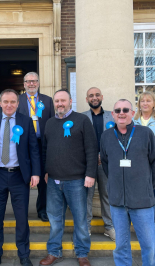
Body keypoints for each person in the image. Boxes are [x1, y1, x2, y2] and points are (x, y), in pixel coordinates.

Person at [99, 99, 155, 266]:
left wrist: (147, 187)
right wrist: (116, 184)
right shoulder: (106, 136)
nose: (122, 113)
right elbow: (106, 164)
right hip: (117, 202)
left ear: (133, 113)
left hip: (142, 201)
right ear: (112, 114)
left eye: (126, 110)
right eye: (118, 110)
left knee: (148, 245)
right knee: (120, 245)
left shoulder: (145, 133)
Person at [0, 89, 41, 266]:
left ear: (17, 103)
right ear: (0, 103)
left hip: (19, 176)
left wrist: (36, 172)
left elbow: (34, 149)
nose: (9, 105)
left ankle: (24, 254)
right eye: (6, 101)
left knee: (22, 218)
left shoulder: (26, 121)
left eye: (13, 102)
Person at [40, 89, 97, 266]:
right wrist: (45, 171)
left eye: (63, 101)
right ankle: (54, 252)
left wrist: (90, 174)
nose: (60, 104)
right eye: (57, 101)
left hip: (77, 181)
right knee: (55, 220)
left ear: (70, 101)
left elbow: (91, 149)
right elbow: (44, 150)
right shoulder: (49, 123)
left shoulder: (82, 120)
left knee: (80, 220)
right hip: (54, 182)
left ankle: (82, 254)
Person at [17, 72, 55, 222]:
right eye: (28, 81)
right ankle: (21, 211)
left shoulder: (47, 100)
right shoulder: (18, 100)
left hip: (43, 143)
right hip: (23, 144)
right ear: (24, 84)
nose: (31, 84)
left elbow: (52, 121)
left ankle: (43, 209)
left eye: (34, 81)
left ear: (38, 83)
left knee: (44, 178)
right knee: (23, 177)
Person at [133, 91, 155, 243]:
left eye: (148, 101)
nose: (145, 103)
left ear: (154, 103)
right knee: (138, 197)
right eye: (142, 101)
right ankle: (141, 228)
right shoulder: (133, 121)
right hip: (138, 166)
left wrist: (151, 155)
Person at [82, 87, 115, 240]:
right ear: (86, 99)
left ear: (101, 96)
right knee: (86, 197)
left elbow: (117, 139)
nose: (94, 98)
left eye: (96, 95)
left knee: (107, 195)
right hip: (87, 164)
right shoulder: (81, 118)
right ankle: (86, 228)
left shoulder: (112, 116)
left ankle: (109, 227)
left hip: (106, 163)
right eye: (91, 96)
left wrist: (104, 155)